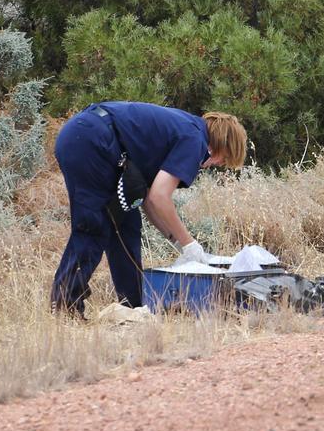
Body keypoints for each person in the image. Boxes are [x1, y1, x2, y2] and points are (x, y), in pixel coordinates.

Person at [50, 101, 247, 317]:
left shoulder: (187, 129)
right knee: (94, 226)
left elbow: (149, 202)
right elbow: (159, 197)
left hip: (91, 137)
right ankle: (63, 309)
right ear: (222, 145)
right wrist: (189, 244)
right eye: (224, 160)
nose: (217, 165)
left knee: (126, 226)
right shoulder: (195, 139)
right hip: (91, 141)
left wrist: (177, 242)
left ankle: (134, 310)